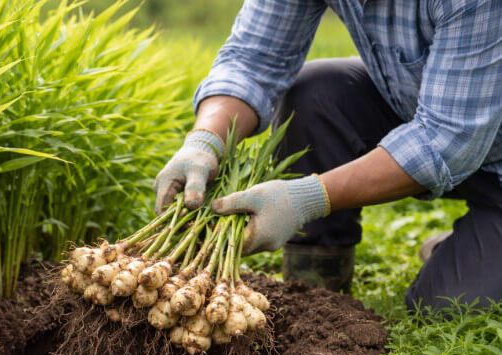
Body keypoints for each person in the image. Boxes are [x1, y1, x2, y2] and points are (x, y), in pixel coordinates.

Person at [154, 0, 502, 309]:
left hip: (478, 146)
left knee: (446, 302)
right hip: (438, 114)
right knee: (315, 94)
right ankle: (317, 297)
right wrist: (204, 141)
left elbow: (447, 139)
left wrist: (306, 198)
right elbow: (252, 59)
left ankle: (473, 242)